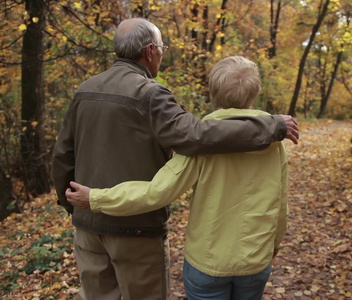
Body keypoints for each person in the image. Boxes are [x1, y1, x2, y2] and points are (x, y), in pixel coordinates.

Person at [52, 18, 297, 300]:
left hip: (88, 224)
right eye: (162, 48)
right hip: (137, 229)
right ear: (149, 51)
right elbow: (195, 136)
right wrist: (270, 126)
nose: (163, 54)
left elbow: (62, 154)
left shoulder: (85, 88)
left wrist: (74, 203)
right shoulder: (150, 94)